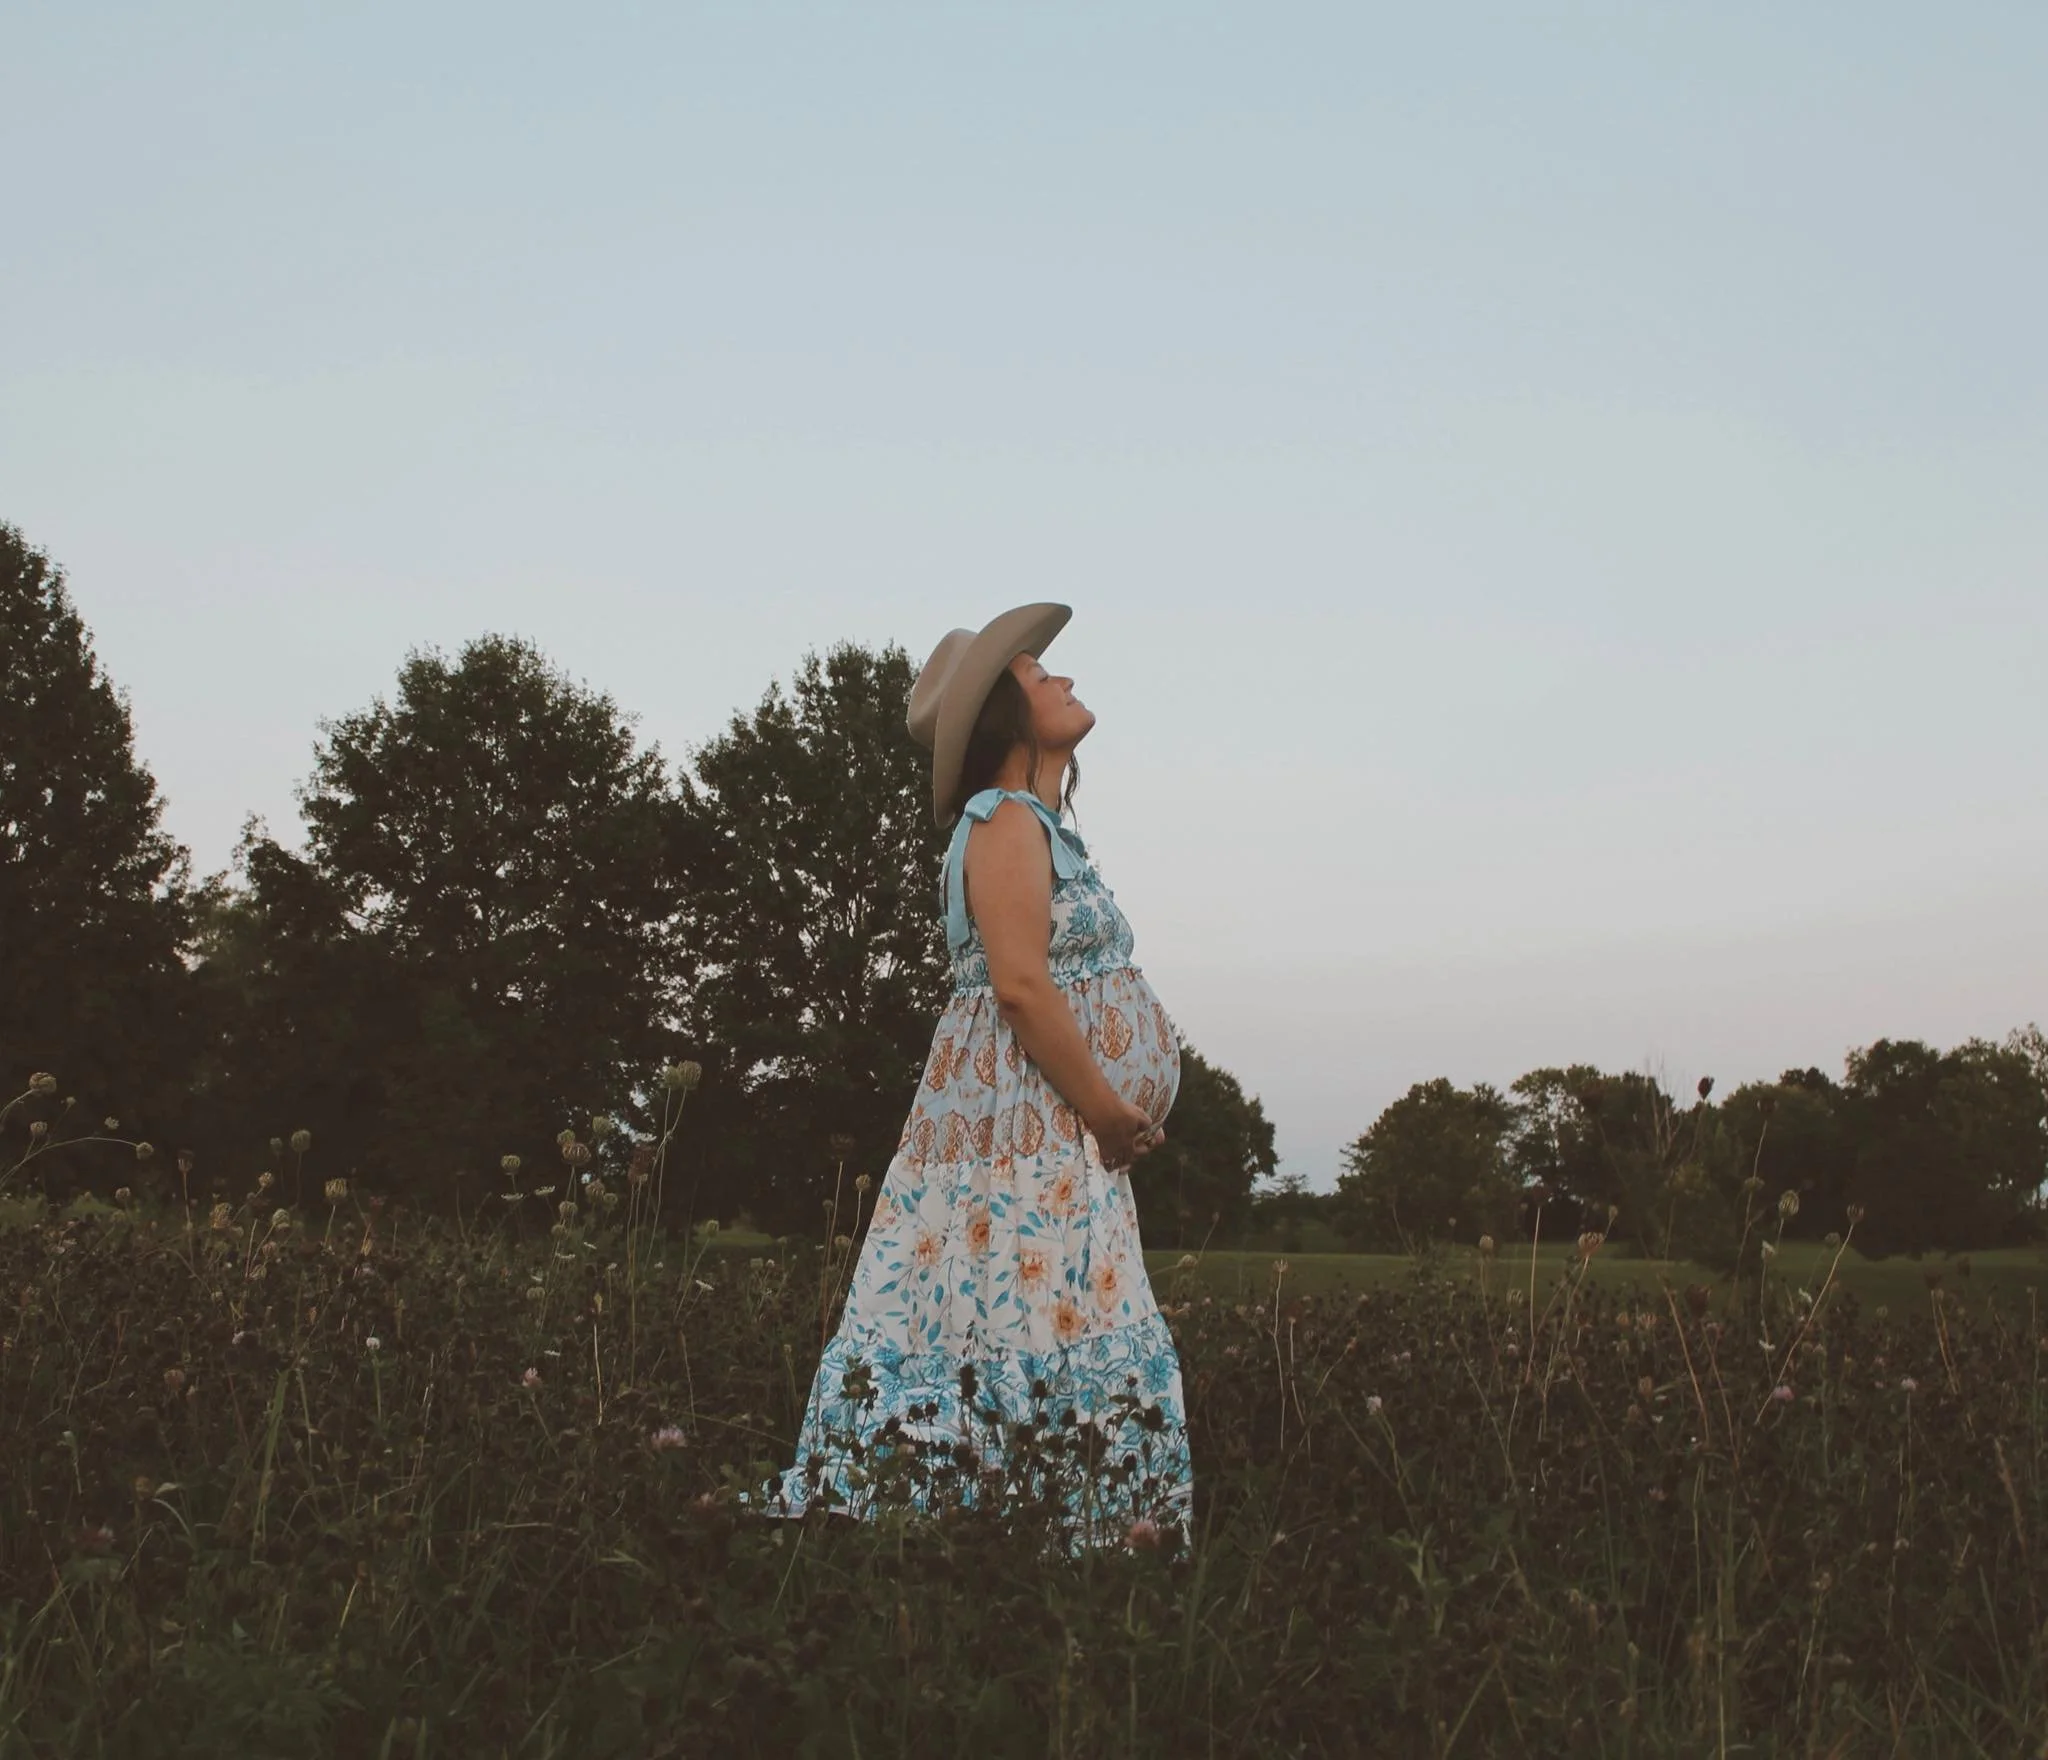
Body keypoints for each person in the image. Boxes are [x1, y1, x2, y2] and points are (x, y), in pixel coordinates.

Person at [758, 602, 1194, 1546]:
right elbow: (1023, 988)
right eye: (1041, 677)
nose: (1066, 682)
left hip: (1051, 1138)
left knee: (1039, 1315)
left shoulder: (1030, 823)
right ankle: (1042, 1533)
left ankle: (1038, 1530)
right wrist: (1112, 1115)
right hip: (1028, 1132)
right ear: (1005, 719)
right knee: (1032, 1314)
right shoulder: (1000, 819)